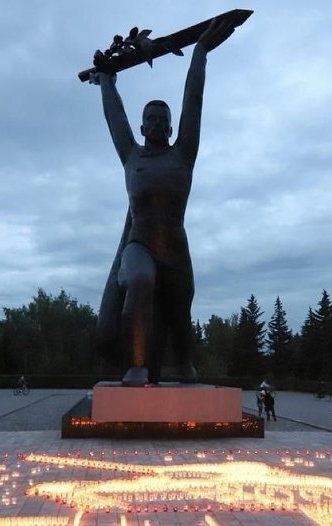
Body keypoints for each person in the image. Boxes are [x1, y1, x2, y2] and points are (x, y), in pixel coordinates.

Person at [91, 18, 235, 386]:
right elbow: (114, 118)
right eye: (150, 119)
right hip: (139, 244)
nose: (156, 123)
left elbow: (194, 101)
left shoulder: (183, 154)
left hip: (174, 246)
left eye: (162, 119)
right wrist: (107, 79)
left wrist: (199, 53)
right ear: (142, 127)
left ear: (171, 128)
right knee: (139, 280)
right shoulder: (131, 156)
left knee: (179, 311)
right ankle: (136, 366)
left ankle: (184, 363)